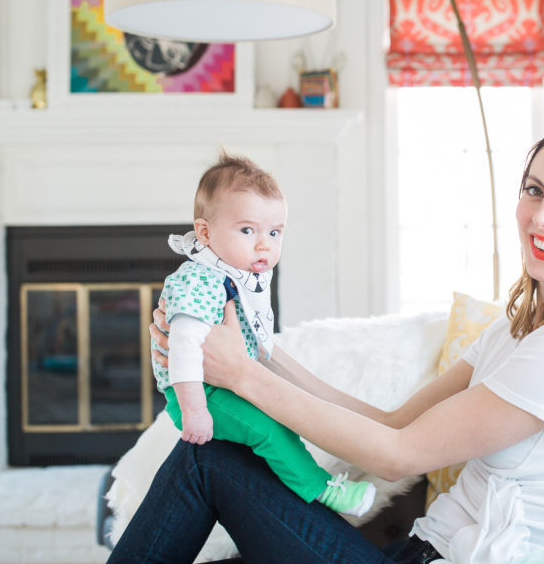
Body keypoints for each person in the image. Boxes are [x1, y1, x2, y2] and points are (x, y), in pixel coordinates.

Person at [90, 114, 544, 564]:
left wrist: (238, 374)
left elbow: (399, 455)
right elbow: (396, 420)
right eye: (534, 190)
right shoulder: (523, 326)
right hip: (407, 562)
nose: (542, 215)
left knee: (207, 458)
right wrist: (257, 351)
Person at [151, 152, 376, 517]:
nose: (264, 244)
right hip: (200, 395)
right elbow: (183, 346)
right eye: (247, 230)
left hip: (222, 384)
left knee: (284, 415)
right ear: (205, 233)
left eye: (274, 233)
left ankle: (288, 483)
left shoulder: (237, 272)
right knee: (270, 428)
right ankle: (319, 488)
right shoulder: (199, 278)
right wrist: (194, 411)